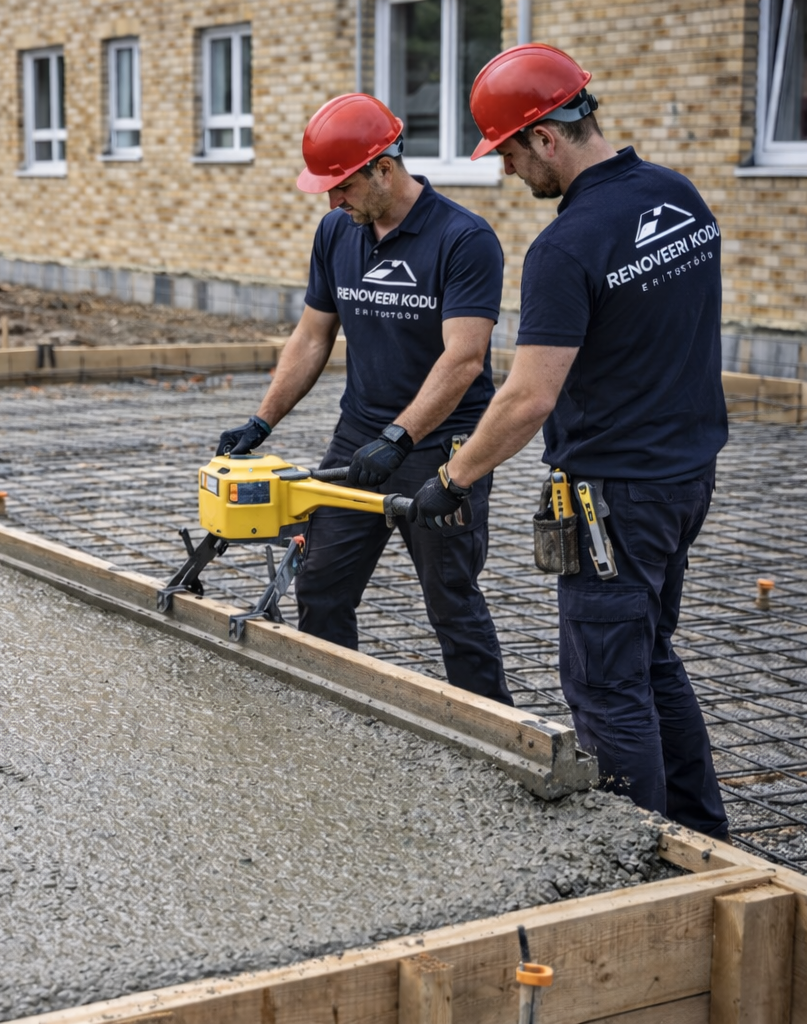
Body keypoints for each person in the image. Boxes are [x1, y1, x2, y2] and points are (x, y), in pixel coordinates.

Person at [407, 44, 729, 838]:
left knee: (605, 687)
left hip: (614, 497)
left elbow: (526, 398)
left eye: (510, 152)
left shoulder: (568, 244)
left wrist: (451, 479)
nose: (510, 172)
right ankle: (702, 835)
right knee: (650, 657)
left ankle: (642, 861)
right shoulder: (678, 196)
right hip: (687, 475)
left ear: (546, 137)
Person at [216, 93, 511, 705]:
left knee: (450, 599)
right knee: (321, 584)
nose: (331, 201)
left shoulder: (464, 240)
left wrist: (400, 436)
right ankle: (334, 710)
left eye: (341, 186)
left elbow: (463, 359)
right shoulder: (337, 231)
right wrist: (261, 421)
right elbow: (313, 334)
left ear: (384, 168)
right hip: (360, 439)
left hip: (441, 446)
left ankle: (498, 735)